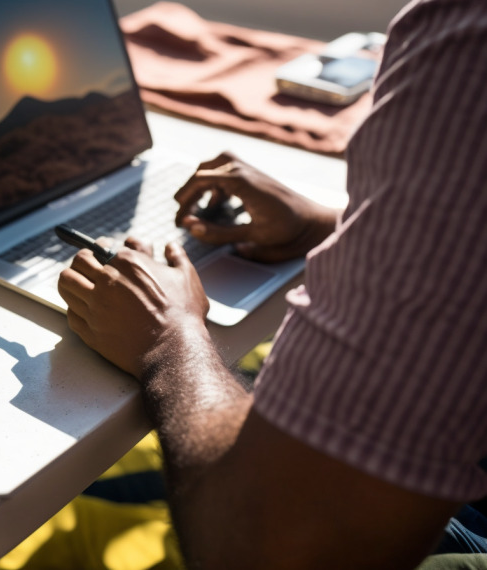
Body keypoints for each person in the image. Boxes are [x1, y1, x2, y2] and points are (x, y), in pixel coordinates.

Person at [57, 0, 487, 567]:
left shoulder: (466, 43)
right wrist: (331, 224)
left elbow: (269, 548)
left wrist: (167, 340)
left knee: (63, 521)